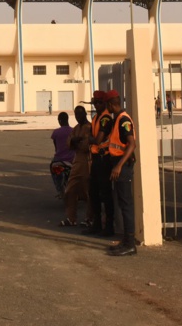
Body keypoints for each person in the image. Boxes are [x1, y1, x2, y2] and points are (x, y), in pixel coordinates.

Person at [104, 90, 138, 256]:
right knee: (121, 203)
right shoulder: (117, 119)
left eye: (106, 105)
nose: (106, 109)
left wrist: (118, 166)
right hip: (117, 164)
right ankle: (126, 240)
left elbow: (132, 144)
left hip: (122, 167)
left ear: (111, 104)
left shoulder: (123, 119)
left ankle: (130, 244)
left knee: (126, 205)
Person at [82, 90, 115, 238]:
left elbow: (98, 139)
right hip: (96, 159)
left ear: (105, 103)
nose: (96, 105)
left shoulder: (105, 119)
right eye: (94, 102)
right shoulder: (97, 118)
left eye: (99, 102)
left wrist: (90, 138)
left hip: (104, 159)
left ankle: (108, 227)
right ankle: (96, 224)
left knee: (105, 194)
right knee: (94, 192)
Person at [61, 106, 93, 227]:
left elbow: (86, 145)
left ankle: (89, 218)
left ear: (85, 114)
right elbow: (69, 143)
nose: (78, 117)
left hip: (87, 162)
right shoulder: (76, 128)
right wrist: (75, 140)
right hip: (77, 162)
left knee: (88, 192)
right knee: (70, 190)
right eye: (76, 115)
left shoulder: (89, 127)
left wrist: (76, 141)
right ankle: (71, 218)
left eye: (80, 114)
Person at [49, 112, 74, 198]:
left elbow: (56, 147)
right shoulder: (73, 131)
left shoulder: (56, 132)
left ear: (59, 121)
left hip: (58, 159)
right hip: (71, 160)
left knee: (53, 171)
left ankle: (59, 190)